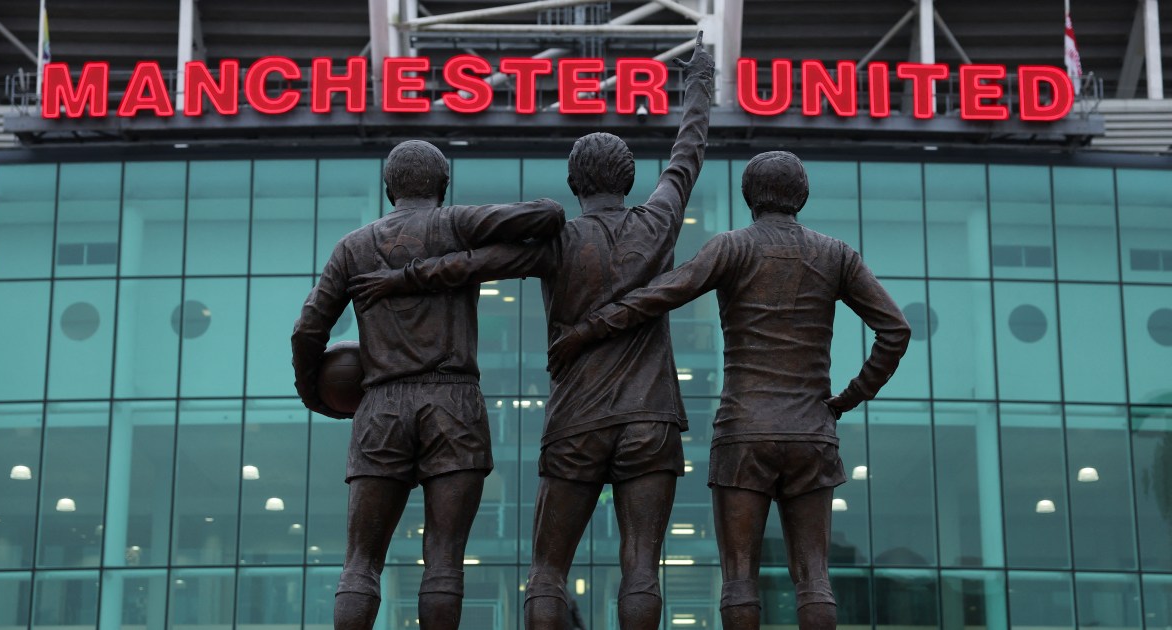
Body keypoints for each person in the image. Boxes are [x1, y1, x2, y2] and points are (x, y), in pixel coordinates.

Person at [347, 36, 714, 630]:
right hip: (652, 418)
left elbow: (472, 265)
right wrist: (699, 82)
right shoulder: (659, 222)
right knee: (642, 567)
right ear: (628, 179)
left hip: (575, 421)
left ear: (572, 182)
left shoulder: (558, 242)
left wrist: (399, 278)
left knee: (547, 573)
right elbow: (688, 151)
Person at [547, 151, 911, 630]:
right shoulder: (835, 254)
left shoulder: (732, 247)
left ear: (748, 198)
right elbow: (896, 330)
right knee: (814, 578)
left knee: (739, 579)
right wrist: (850, 396)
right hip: (811, 430)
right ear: (802, 196)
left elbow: (660, 294)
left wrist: (588, 329)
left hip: (743, 431)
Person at [290, 140, 564, 630]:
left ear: (388, 189)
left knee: (360, 561)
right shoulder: (456, 224)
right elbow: (548, 215)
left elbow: (308, 330)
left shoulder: (353, 247)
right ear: (443, 185)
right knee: (444, 559)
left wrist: (317, 395)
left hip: (381, 405)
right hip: (453, 401)